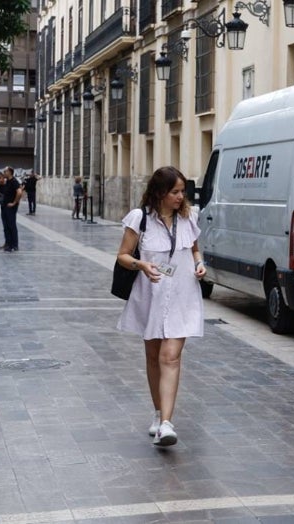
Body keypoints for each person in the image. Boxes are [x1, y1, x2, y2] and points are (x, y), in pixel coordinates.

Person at [116, 166, 207, 447]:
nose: (181, 197)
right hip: (151, 294)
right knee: (154, 356)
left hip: (182, 293)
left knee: (170, 356)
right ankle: (158, 413)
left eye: (183, 191)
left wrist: (199, 263)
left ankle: (167, 423)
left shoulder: (189, 217)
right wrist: (141, 264)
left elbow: (194, 249)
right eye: (175, 192)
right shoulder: (139, 218)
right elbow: (122, 256)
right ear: (159, 193)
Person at [1, 166, 22, 252]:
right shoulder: (8, 181)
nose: (4, 173)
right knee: (6, 226)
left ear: (10, 172)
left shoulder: (14, 181)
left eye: (5, 171)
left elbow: (19, 192)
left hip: (10, 207)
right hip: (5, 207)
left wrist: (14, 203)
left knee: (11, 225)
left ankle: (14, 245)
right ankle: (8, 244)